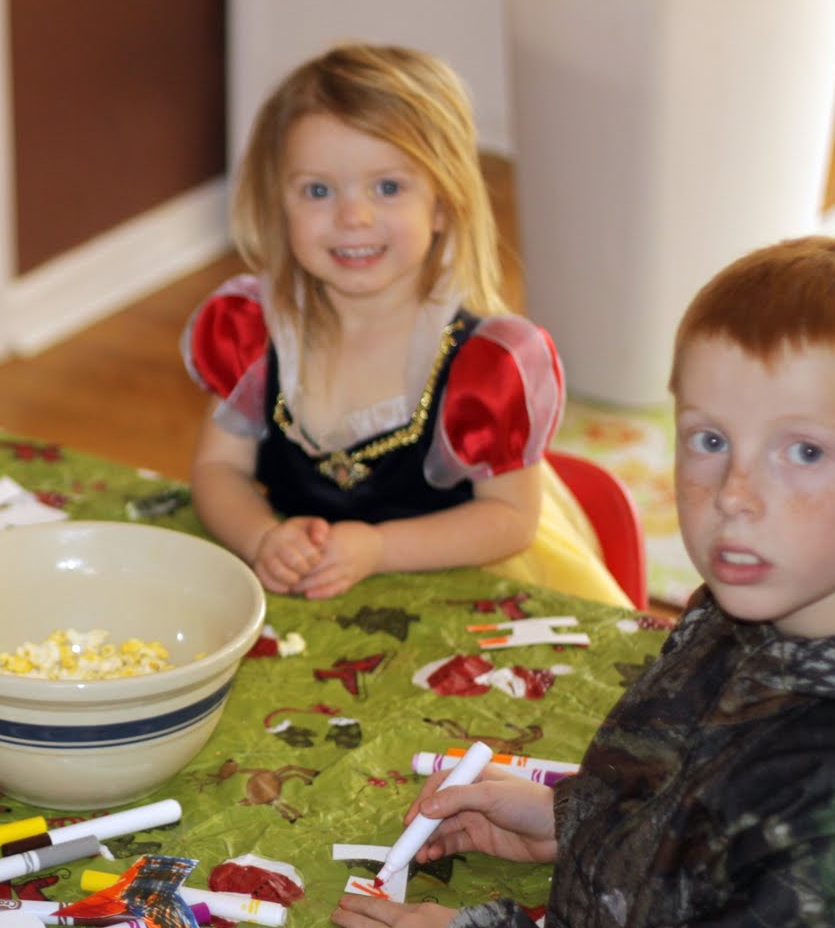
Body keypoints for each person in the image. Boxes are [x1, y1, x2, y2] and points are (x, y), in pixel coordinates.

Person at [331, 235, 835, 928]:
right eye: (710, 438)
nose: (734, 494)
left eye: (804, 451)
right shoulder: (735, 608)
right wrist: (575, 823)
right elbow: (685, 795)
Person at [181, 43, 626, 606]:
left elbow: (510, 518)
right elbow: (218, 468)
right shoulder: (253, 333)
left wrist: (379, 548)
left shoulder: (488, 366)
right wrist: (262, 536)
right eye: (318, 190)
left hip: (460, 592)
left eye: (388, 187)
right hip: (306, 594)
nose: (353, 217)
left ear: (442, 204)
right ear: (279, 204)